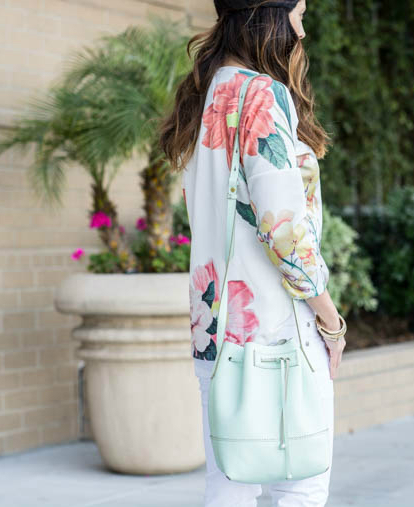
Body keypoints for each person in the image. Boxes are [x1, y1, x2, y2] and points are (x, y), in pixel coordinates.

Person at [158, 1, 346, 505]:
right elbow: (282, 228)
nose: (302, 31)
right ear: (269, 17)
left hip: (215, 326)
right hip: (274, 324)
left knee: (228, 485)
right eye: (298, 14)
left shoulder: (206, 94)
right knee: (300, 485)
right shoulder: (262, 94)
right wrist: (330, 319)